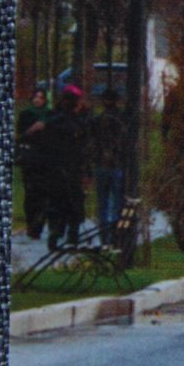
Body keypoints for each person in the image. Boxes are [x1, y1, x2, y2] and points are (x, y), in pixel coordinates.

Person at [41, 87, 90, 249]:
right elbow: (84, 148)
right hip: (72, 169)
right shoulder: (79, 124)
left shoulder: (52, 121)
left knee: (56, 202)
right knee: (74, 202)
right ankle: (72, 235)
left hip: (55, 169)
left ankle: (56, 231)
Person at [89, 89, 127, 246]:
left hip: (102, 166)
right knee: (117, 203)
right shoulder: (122, 119)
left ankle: (106, 237)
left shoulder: (98, 120)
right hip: (116, 165)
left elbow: (92, 143)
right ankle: (116, 236)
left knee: (103, 203)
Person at [16, 89, 51, 239]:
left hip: (45, 158)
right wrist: (32, 129)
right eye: (35, 97)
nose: (37, 100)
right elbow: (20, 136)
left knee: (44, 193)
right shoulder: (26, 115)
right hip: (30, 158)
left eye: (41, 98)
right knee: (31, 193)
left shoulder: (50, 115)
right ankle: (31, 223)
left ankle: (39, 223)